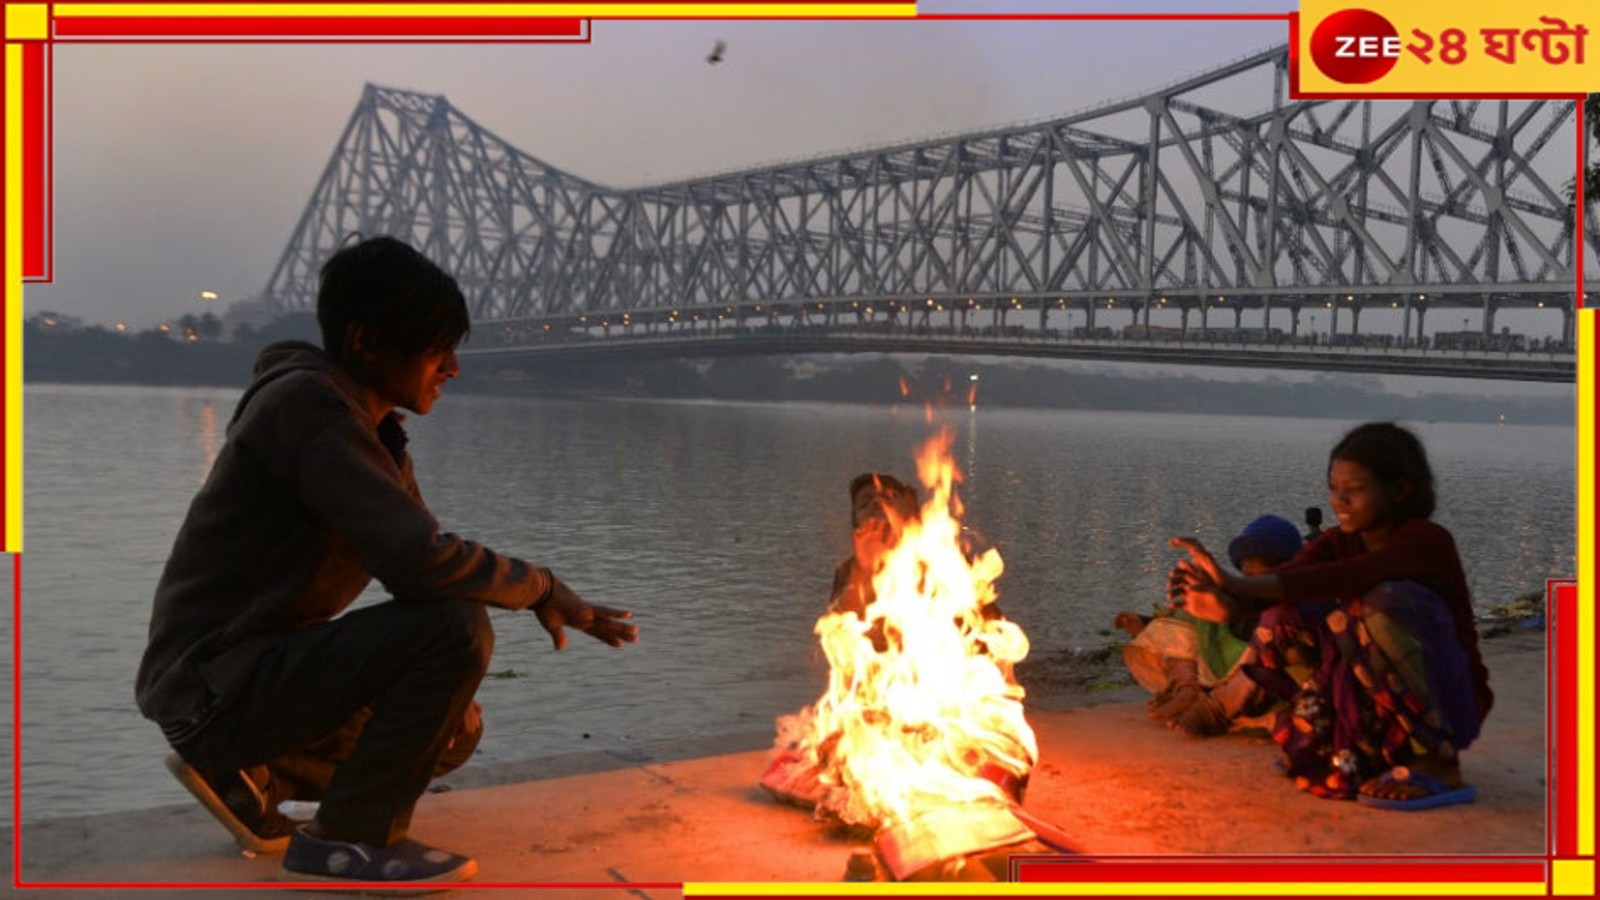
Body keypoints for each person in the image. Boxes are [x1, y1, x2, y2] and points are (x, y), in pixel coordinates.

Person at [135, 235, 639, 885]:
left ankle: (256, 775)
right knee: (453, 629)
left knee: (454, 731)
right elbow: (420, 563)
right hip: (210, 686)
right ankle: (347, 837)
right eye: (437, 349)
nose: (452, 368)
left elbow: (422, 553)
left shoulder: (371, 433)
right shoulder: (307, 407)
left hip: (236, 681)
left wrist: (526, 595)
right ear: (366, 342)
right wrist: (540, 588)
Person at [1168, 422, 1491, 810]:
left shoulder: (1426, 540)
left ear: (1400, 490)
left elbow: (1352, 576)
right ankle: (1232, 709)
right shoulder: (1340, 541)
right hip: (1382, 687)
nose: (1339, 501)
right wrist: (1226, 604)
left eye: (1354, 490)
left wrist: (1235, 584)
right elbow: (1291, 580)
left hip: (1449, 699)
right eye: (1334, 489)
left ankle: (1440, 764)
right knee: (1285, 614)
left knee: (1379, 603)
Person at [1117, 515, 1302, 738]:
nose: (1251, 582)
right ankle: (1186, 689)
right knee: (1189, 612)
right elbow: (1231, 605)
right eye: (1246, 576)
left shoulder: (1299, 603)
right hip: (1223, 664)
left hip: (1258, 675)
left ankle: (1211, 708)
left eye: (1259, 577)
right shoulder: (1240, 596)